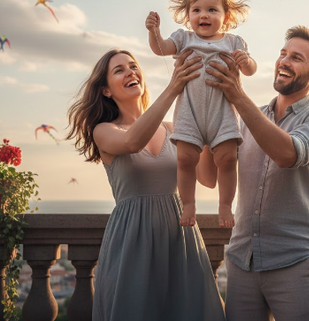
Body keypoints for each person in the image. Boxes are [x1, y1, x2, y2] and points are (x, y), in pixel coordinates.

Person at [66, 48, 226, 321]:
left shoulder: (175, 129)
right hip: (133, 240)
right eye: (119, 70)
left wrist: (207, 122)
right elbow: (133, 143)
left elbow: (208, 179)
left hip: (181, 238)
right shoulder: (105, 130)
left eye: (133, 66)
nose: (130, 71)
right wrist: (174, 88)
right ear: (106, 90)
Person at [203, 25, 309, 321]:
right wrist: (198, 111)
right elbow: (208, 176)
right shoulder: (247, 120)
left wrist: (237, 95)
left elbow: (287, 154)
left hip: (297, 264)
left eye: (297, 58)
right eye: (283, 54)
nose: (284, 62)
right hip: (241, 263)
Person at [146, 0, 257, 228]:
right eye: (196, 10)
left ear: (225, 16)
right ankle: (189, 204)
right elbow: (160, 49)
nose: (203, 15)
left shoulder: (234, 42)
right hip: (190, 113)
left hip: (222, 113)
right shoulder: (184, 39)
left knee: (228, 159)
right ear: (188, 16)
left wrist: (246, 60)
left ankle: (225, 205)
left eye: (212, 10)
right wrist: (154, 31)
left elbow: (250, 70)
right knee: (185, 159)